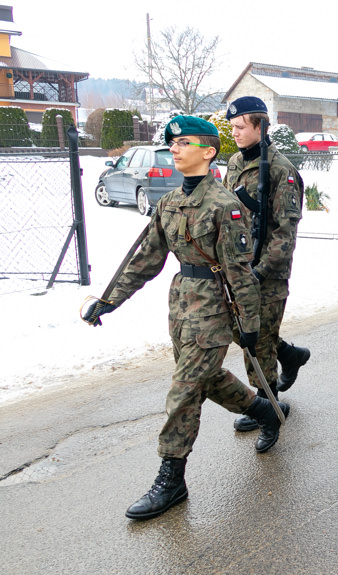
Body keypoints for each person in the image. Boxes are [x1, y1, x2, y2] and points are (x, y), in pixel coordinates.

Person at [82, 116, 287, 520]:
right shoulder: (170, 203)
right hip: (181, 305)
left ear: (208, 152)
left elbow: (240, 272)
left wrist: (248, 323)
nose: (174, 148)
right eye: (171, 143)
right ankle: (263, 410)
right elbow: (146, 258)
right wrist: (110, 300)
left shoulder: (225, 207)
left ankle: (171, 478)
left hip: (214, 308)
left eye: (184, 143)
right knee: (206, 380)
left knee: (183, 391)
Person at [223, 97, 311, 433]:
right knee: (238, 329)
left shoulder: (280, 170)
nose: (234, 133)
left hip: (268, 273)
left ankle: (268, 403)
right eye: (232, 127)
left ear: (260, 126)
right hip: (239, 266)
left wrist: (258, 274)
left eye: (240, 127)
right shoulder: (233, 163)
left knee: (257, 339)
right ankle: (289, 354)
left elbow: (284, 235)